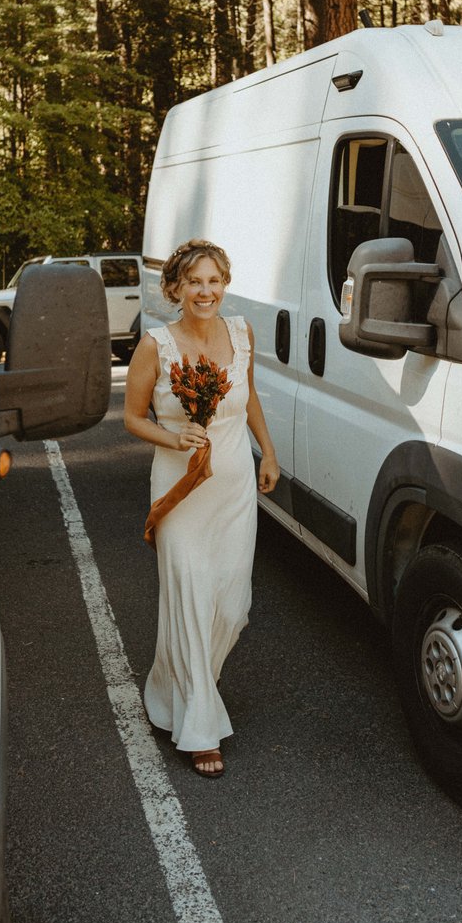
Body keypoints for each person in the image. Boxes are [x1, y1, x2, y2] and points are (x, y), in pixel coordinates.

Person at [124, 238, 280, 777]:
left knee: (231, 607)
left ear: (225, 284)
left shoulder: (242, 332)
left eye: (214, 281)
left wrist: (269, 453)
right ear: (175, 289)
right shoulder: (156, 346)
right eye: (195, 282)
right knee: (189, 600)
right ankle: (199, 728)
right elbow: (133, 417)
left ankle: (175, 687)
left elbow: (249, 394)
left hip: (233, 485)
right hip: (180, 488)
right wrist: (173, 438)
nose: (206, 291)